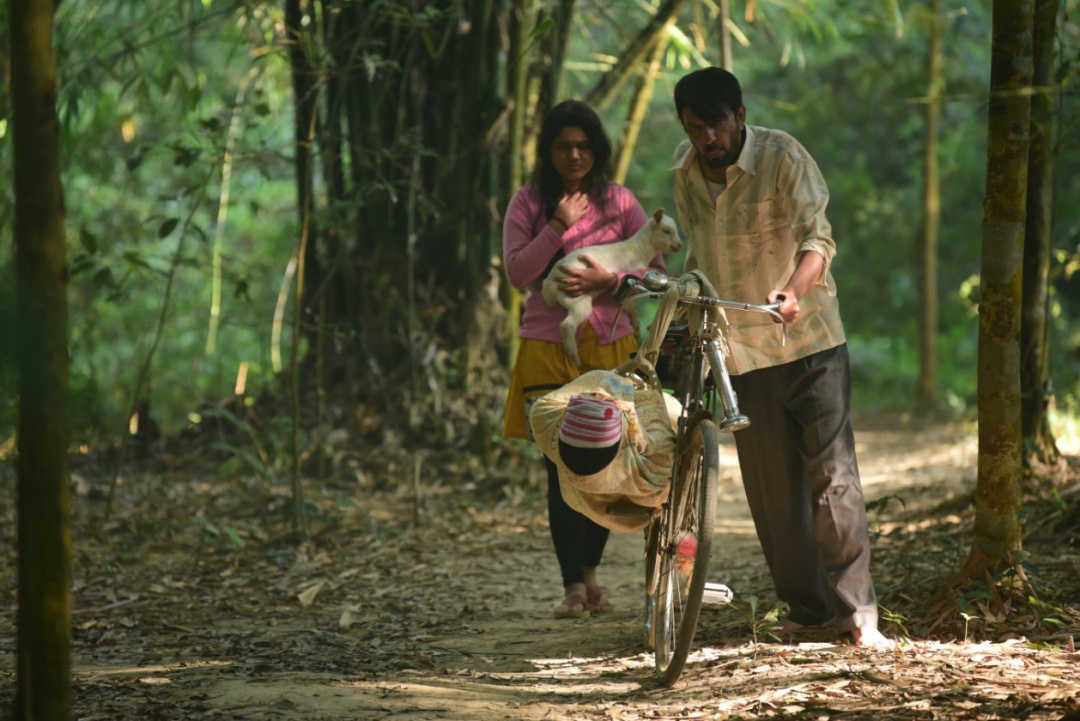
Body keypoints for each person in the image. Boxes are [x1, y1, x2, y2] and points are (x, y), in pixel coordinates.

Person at [669, 67, 894, 650]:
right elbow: (698, 253)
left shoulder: (783, 157)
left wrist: (794, 291)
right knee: (772, 494)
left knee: (833, 480)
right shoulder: (684, 172)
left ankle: (858, 613)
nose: (708, 139)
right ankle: (809, 610)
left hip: (811, 341)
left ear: (740, 116)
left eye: (717, 125)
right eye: (695, 128)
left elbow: (819, 239)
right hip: (740, 352)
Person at [502, 99, 668, 619]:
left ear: (597, 150)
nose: (574, 155)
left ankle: (591, 575)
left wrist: (610, 279)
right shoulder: (528, 202)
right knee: (560, 465)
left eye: (583, 146)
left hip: (612, 347)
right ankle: (572, 585)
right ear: (547, 151)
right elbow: (517, 273)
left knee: (609, 462)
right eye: (563, 147)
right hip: (547, 349)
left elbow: (657, 276)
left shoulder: (619, 202)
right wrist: (556, 224)